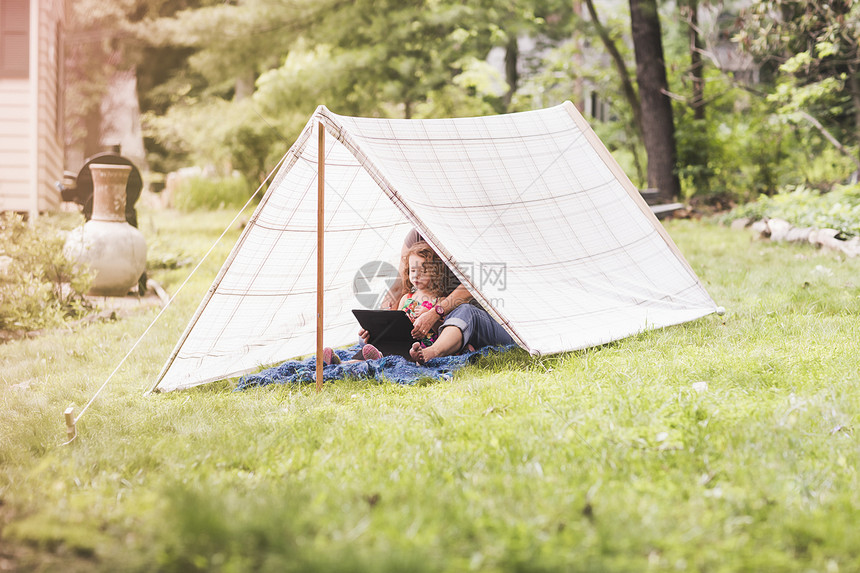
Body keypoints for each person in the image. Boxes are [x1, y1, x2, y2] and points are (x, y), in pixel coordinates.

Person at [378, 229, 516, 364]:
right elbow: (400, 283)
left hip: (489, 323)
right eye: (413, 270)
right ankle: (380, 350)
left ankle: (432, 353)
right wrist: (380, 322)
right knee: (372, 334)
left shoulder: (477, 231)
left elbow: (473, 284)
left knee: (465, 311)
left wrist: (434, 313)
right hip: (448, 328)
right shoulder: (418, 234)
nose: (415, 274)